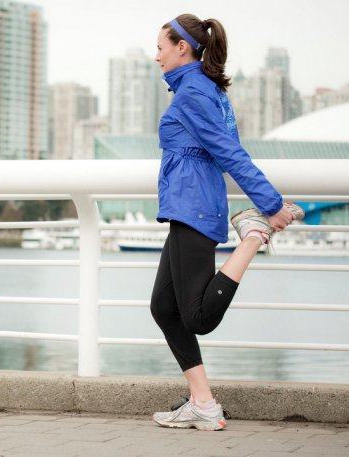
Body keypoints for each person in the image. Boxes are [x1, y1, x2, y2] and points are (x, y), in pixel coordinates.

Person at [149, 14, 305, 431]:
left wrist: (270, 205)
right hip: (189, 205)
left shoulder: (193, 94)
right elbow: (223, 147)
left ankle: (253, 235)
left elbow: (229, 153)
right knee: (164, 308)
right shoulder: (203, 88)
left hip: (194, 206)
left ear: (182, 47)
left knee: (197, 317)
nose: (157, 55)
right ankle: (202, 403)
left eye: (161, 47)